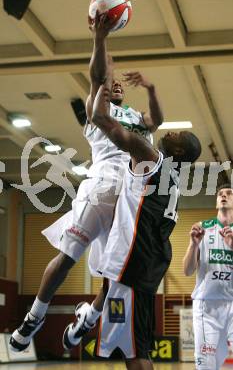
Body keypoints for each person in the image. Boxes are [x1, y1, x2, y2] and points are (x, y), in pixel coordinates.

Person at [9, 11, 163, 352]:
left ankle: (86, 321)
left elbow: (157, 119)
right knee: (68, 255)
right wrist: (100, 38)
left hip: (129, 197)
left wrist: (151, 88)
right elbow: (97, 75)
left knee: (117, 272)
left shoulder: (135, 118)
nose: (116, 83)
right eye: (111, 81)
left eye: (118, 82)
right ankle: (35, 317)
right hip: (102, 187)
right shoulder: (97, 107)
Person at [62, 56, 202, 369]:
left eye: (175, 136)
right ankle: (86, 321)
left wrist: (100, 88)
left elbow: (100, 119)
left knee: (135, 352)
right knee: (127, 337)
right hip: (146, 262)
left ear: (178, 151)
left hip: (132, 262)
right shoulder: (174, 179)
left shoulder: (149, 156)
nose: (168, 133)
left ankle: (86, 320)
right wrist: (149, 88)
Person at [183, 184, 233, 370]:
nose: (224, 196)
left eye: (229, 193)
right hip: (207, 307)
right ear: (216, 203)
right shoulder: (202, 228)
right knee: (207, 366)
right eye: (220, 194)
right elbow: (187, 271)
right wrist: (193, 245)